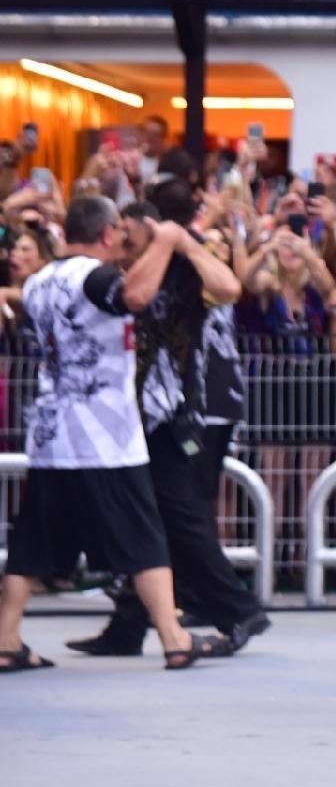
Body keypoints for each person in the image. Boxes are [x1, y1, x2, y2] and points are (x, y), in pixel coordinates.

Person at [0, 197, 222, 672]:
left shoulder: (39, 280)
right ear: (105, 234)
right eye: (119, 231)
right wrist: (165, 240)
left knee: (32, 544)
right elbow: (136, 297)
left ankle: (6, 639)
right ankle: (174, 637)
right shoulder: (94, 276)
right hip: (104, 437)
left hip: (52, 434)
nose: (123, 239)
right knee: (145, 539)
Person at [68, 181, 268, 658]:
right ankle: (128, 627)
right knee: (150, 520)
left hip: (174, 415)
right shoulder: (113, 278)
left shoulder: (180, 270)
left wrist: (183, 243)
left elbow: (229, 288)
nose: (122, 247)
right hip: (127, 415)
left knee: (181, 518)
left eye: (132, 239)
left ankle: (238, 611)